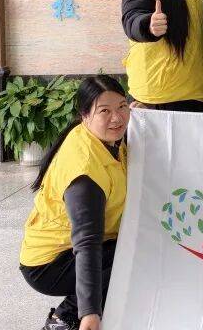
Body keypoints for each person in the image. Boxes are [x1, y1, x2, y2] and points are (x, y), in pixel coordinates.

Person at [19, 76, 130, 330]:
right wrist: (89, 311)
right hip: (49, 263)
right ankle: (65, 318)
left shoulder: (101, 136)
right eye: (105, 111)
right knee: (132, 258)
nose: (117, 118)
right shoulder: (85, 173)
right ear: (85, 116)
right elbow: (87, 242)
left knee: (139, 246)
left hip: (72, 248)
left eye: (122, 106)